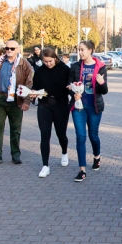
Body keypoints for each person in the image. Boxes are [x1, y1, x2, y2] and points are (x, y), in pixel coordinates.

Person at [0, 40, 34, 165]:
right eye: (7, 48)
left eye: (12, 48)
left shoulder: (24, 64)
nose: (9, 51)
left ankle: (15, 154)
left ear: (18, 49)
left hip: (16, 100)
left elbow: (29, 84)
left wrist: (27, 101)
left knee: (15, 129)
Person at [69, 40, 108, 182]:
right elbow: (69, 84)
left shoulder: (101, 68)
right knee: (80, 137)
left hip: (94, 107)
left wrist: (101, 83)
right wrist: (73, 93)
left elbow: (104, 91)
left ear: (90, 50)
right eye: (78, 49)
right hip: (78, 107)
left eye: (82, 49)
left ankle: (97, 157)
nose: (80, 52)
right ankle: (82, 170)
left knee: (93, 135)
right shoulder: (75, 67)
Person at [31, 48, 71, 178]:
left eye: (50, 61)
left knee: (61, 134)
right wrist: (33, 93)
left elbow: (69, 87)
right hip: (44, 105)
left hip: (61, 105)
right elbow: (35, 87)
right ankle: (45, 166)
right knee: (45, 134)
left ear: (55, 58)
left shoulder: (64, 69)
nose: (48, 64)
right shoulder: (39, 71)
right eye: (45, 61)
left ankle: (64, 152)